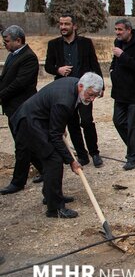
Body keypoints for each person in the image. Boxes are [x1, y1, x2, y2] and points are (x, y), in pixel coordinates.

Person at [12, 72, 104, 218]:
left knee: (53, 160)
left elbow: (64, 117)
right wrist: (72, 161)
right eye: (90, 94)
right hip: (29, 124)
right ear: (81, 86)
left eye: (95, 96)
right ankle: (55, 208)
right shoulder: (64, 101)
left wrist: (60, 127)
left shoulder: (75, 85)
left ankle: (51, 196)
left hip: (38, 120)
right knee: (53, 160)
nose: (92, 99)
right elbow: (55, 136)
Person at [45, 14, 105, 168]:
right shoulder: (53, 44)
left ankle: (95, 153)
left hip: (85, 91)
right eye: (61, 24)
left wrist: (101, 85)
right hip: (66, 93)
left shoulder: (85, 43)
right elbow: (48, 66)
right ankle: (82, 155)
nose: (63, 27)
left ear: (74, 26)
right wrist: (58, 69)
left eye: (66, 24)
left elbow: (94, 64)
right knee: (72, 125)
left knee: (86, 121)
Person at [0, 25, 43, 195]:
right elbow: (6, 79)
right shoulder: (13, 56)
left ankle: (18, 182)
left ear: (18, 40)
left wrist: (1, 95)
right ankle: (45, 170)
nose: (5, 44)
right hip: (13, 108)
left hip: (23, 108)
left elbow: (19, 84)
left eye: (7, 41)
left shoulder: (29, 58)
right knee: (27, 143)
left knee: (22, 145)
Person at [110, 18, 135, 171]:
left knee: (133, 126)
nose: (117, 33)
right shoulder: (117, 42)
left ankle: (132, 158)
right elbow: (115, 61)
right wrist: (112, 71)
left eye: (120, 30)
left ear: (128, 30)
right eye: (116, 30)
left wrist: (123, 56)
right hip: (120, 91)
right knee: (118, 121)